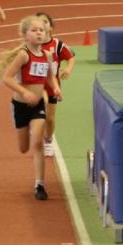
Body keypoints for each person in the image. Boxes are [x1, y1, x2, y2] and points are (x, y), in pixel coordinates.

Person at [0, 16, 56, 200]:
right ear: (25, 35)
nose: (39, 33)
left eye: (41, 30)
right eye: (34, 30)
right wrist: (24, 92)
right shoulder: (23, 55)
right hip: (20, 106)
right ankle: (26, 132)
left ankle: (39, 185)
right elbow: (7, 78)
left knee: (38, 142)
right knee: (24, 148)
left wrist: (56, 88)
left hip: (38, 105)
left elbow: (49, 76)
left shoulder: (48, 56)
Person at [36, 12, 74, 158]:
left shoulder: (57, 45)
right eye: (38, 22)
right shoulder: (32, 44)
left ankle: (48, 140)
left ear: (51, 27)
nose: (41, 24)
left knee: (50, 118)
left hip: (52, 86)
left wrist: (68, 69)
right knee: (38, 114)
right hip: (35, 85)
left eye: (45, 21)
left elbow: (71, 57)